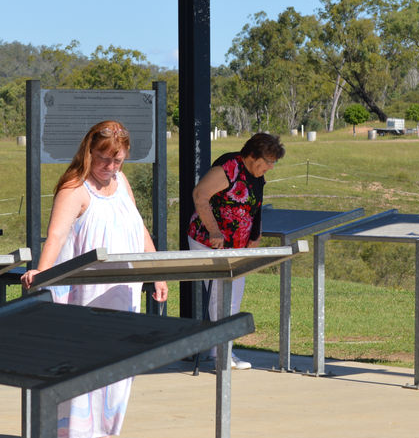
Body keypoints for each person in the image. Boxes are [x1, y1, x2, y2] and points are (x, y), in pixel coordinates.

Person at [21, 120, 168, 438]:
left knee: (117, 376)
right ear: (89, 152)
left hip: (124, 294)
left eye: (117, 160)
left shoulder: (122, 181)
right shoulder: (75, 189)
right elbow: (56, 235)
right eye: (104, 159)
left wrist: (156, 272)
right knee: (84, 372)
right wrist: (41, 272)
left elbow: (138, 227)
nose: (110, 166)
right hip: (86, 298)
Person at [187, 132, 285, 370]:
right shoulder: (229, 167)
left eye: (274, 162)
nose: (270, 167)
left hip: (237, 246)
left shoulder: (256, 175)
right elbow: (200, 195)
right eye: (268, 161)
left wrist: (256, 235)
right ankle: (223, 355)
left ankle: (222, 350)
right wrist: (214, 231)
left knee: (233, 297)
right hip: (210, 242)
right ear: (253, 155)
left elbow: (256, 206)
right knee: (221, 297)